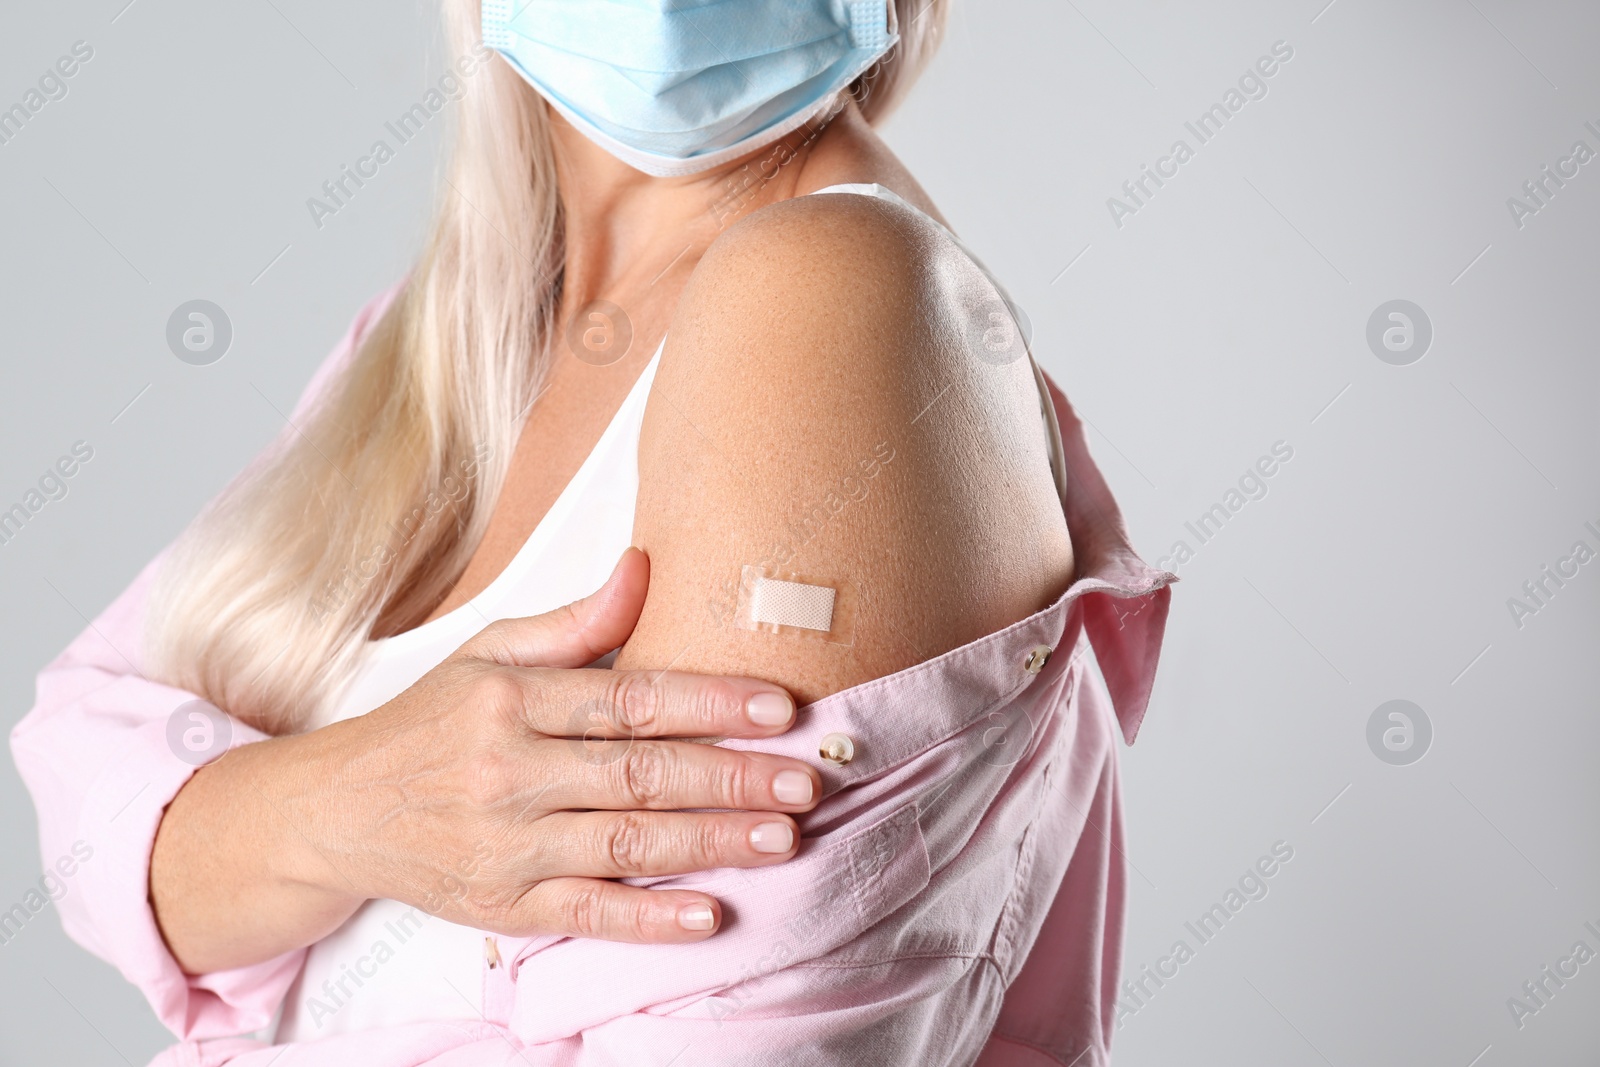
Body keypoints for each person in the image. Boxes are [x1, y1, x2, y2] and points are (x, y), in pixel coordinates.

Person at [11, 1, 1174, 1063]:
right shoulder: (441, 341)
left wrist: (266, 828)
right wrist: (353, 805)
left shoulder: (826, 298)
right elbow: (84, 783)